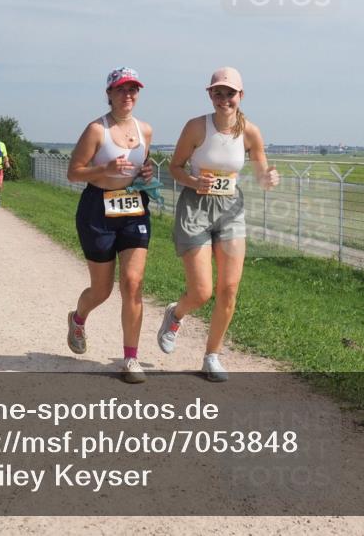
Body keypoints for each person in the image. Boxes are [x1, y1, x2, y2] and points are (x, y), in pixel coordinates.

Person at [159, 67, 279, 381]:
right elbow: (174, 167)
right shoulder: (197, 127)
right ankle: (175, 314)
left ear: (241, 96)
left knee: (229, 288)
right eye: (218, 92)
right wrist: (194, 180)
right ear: (210, 94)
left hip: (230, 209)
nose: (223, 99)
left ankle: (212, 356)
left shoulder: (250, 132)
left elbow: (261, 173)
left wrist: (269, 178)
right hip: (195, 207)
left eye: (230, 93)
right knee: (201, 292)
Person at [66, 67, 154, 383]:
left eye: (133, 89)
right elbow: (74, 172)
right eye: (121, 89)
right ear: (109, 94)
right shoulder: (96, 130)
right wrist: (104, 167)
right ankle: (78, 318)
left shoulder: (145, 130)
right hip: (97, 210)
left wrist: (147, 174)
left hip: (133, 209)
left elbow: (145, 167)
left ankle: (131, 359)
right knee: (102, 290)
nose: (127, 95)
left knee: (132, 282)